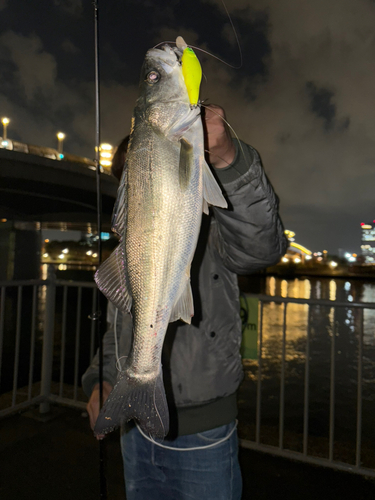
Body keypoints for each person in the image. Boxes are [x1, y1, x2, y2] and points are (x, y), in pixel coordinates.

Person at [82, 104, 288, 500]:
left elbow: (263, 247)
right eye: (127, 181)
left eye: (142, 173)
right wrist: (103, 379)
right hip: (134, 430)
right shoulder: (130, 251)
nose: (135, 186)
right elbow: (121, 329)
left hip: (204, 438)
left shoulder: (212, 227)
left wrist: (228, 157)